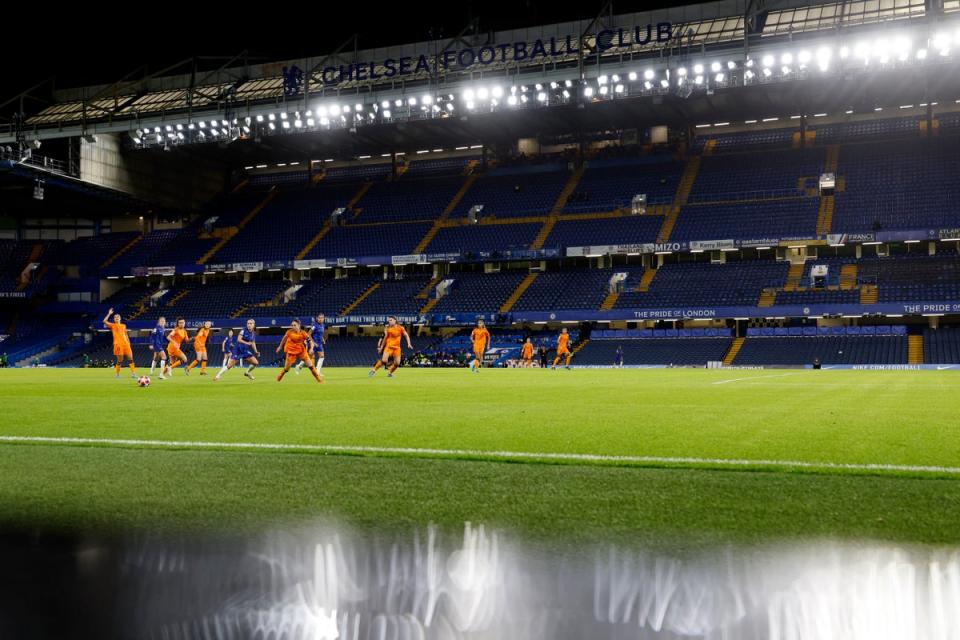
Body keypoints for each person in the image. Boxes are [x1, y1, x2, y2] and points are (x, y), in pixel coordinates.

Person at [276, 319, 323, 383]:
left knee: (311, 366)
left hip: (301, 350)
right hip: (291, 351)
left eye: (294, 325)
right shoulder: (289, 332)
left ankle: (319, 380)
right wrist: (280, 346)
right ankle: (281, 375)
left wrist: (311, 348)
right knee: (287, 369)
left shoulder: (303, 333)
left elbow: (311, 342)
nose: (293, 326)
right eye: (292, 325)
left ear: (299, 325)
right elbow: (284, 339)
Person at [102, 307, 137, 379]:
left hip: (126, 344)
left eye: (118, 317)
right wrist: (109, 314)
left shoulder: (124, 326)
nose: (116, 318)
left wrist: (128, 343)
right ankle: (117, 374)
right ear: (114, 319)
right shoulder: (113, 325)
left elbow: (126, 334)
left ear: (120, 318)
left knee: (131, 359)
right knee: (120, 360)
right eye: (115, 317)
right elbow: (104, 321)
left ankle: (133, 374)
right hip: (118, 345)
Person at [296, 313, 326, 378]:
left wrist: (322, 339)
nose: (321, 319)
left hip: (319, 344)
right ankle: (299, 366)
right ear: (317, 318)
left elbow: (320, 334)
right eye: (319, 318)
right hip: (313, 344)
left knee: (322, 356)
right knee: (308, 358)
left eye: (322, 318)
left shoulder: (323, 325)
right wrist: (313, 342)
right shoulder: (314, 326)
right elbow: (308, 334)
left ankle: (317, 371)